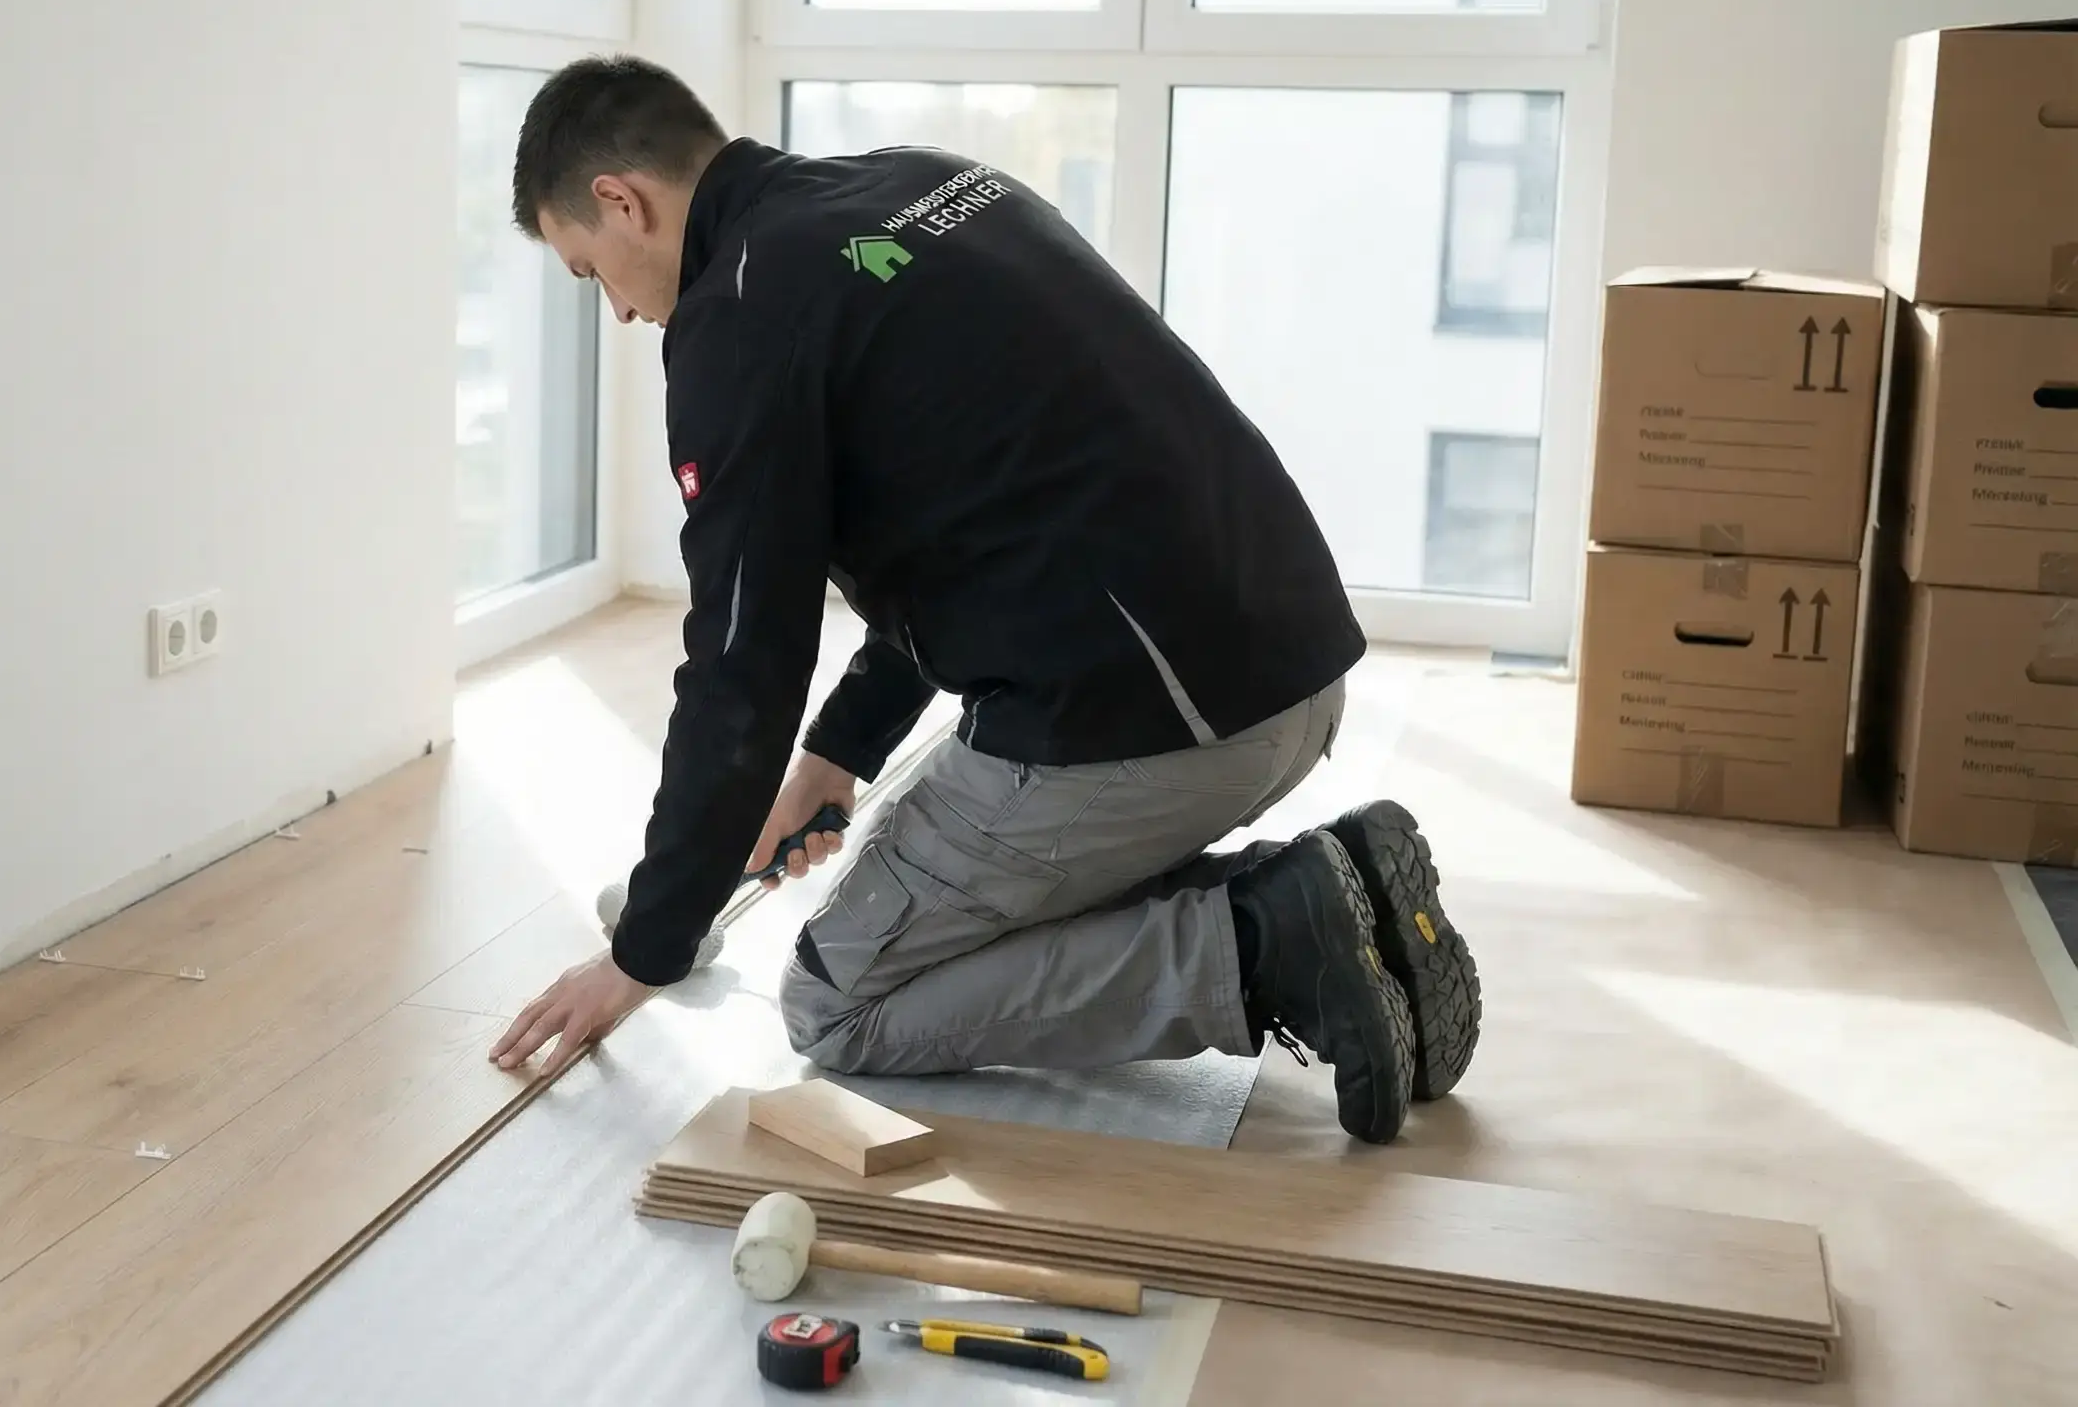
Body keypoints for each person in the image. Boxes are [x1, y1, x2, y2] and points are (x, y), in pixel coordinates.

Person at [483, 55, 1479, 1144]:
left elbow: (739, 659)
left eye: (592, 273)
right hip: (1290, 670)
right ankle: (1346, 906)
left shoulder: (736, 317)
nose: (619, 313)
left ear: (621, 203)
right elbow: (985, 507)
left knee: (840, 1000)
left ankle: (1266, 940)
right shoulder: (925, 179)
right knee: (953, 912)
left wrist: (643, 954)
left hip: (1162, 726)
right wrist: (838, 755)